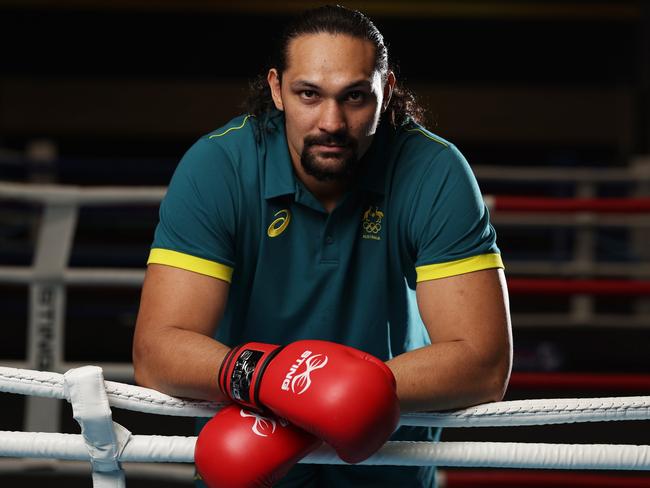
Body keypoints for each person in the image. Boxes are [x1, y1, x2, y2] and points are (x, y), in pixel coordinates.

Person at [132, 5, 512, 487]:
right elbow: (157, 348)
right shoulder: (219, 165)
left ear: (386, 91)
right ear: (276, 89)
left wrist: (320, 398)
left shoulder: (433, 170)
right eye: (308, 94)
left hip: (388, 464)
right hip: (260, 461)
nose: (331, 121)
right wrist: (275, 380)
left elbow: (484, 362)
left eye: (354, 97)